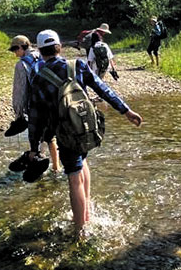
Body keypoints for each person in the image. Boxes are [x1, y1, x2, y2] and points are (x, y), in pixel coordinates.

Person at [25, 30, 142, 233]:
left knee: (73, 177)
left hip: (65, 133)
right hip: (87, 127)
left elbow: (36, 117)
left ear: (40, 51)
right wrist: (126, 110)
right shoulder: (77, 65)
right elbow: (102, 89)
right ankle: (86, 211)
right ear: (59, 47)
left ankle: (80, 230)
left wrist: (34, 147)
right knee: (82, 163)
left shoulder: (39, 78)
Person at [8, 34, 59, 172]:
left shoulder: (21, 64)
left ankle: (35, 160)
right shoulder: (43, 56)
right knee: (50, 136)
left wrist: (18, 112)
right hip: (51, 101)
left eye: (14, 50)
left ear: (21, 47)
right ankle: (56, 167)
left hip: (35, 105)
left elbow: (20, 90)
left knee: (35, 136)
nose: (15, 54)